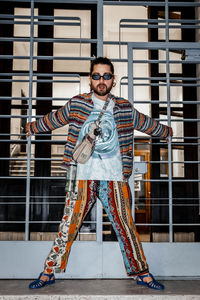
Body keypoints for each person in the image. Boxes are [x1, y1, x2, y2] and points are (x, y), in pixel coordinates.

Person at [26, 56, 173, 290]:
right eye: (96, 76)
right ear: (90, 78)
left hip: (114, 177)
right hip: (80, 176)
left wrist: (166, 130)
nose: (101, 80)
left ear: (113, 80)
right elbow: (55, 119)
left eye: (106, 76)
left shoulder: (123, 106)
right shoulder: (77, 104)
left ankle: (142, 273)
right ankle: (49, 272)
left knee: (125, 226)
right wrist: (31, 127)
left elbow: (144, 122)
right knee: (68, 225)